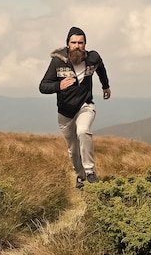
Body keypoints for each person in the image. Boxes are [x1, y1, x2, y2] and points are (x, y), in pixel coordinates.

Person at [39, 26, 111, 189]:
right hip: (65, 112)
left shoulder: (93, 58)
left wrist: (105, 86)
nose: (77, 45)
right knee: (73, 149)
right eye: (74, 42)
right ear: (67, 44)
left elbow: (101, 69)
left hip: (85, 105)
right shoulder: (58, 61)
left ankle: (90, 171)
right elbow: (43, 86)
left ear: (85, 44)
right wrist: (59, 85)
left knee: (83, 131)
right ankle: (80, 177)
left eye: (80, 42)